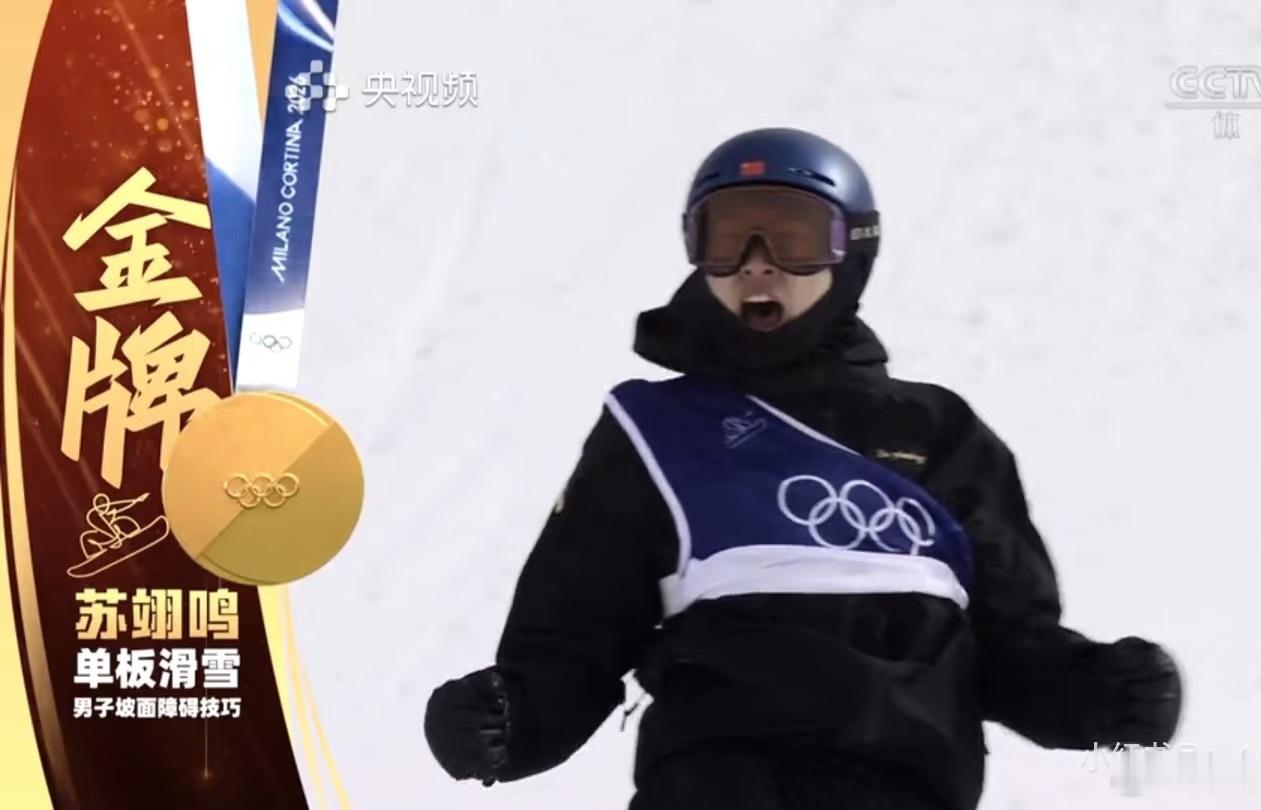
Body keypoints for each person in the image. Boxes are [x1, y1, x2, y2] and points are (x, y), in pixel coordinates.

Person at [423, 128, 1183, 810]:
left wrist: (1097, 695)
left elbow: (1014, 647)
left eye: (792, 237)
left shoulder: (943, 436)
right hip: (716, 787)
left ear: (851, 250)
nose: (759, 267)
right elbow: (574, 634)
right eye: (728, 240)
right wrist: (511, 719)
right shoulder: (654, 434)